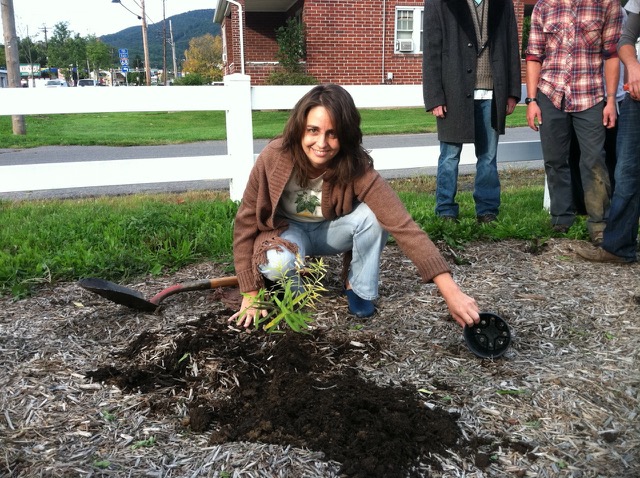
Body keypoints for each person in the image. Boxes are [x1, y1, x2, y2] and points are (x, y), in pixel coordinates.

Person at [228, 84, 480, 327]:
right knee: (277, 264)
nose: (322, 143)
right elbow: (246, 222)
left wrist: (451, 292)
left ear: (345, 134)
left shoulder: (355, 165)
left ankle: (357, 286)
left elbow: (402, 223)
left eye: (332, 133)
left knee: (375, 217)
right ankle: (293, 289)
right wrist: (249, 291)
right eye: (313, 130)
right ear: (299, 128)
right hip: (286, 232)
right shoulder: (274, 156)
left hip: (331, 231)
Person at [525, 0, 624, 244]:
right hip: (550, 93)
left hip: (590, 94)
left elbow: (612, 54)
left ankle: (599, 223)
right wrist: (531, 100)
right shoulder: (544, 6)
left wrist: (611, 101)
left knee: (594, 160)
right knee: (555, 159)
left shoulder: (606, 5)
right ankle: (561, 219)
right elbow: (534, 55)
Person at [423, 0, 522, 223]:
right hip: (453, 92)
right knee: (449, 156)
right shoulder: (438, 3)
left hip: (493, 91)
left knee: (488, 157)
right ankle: (446, 210)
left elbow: (511, 45)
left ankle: (487, 210)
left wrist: (512, 92)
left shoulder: (503, 3)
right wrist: (434, 97)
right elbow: (431, 50)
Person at [575, 0, 640, 264]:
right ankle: (618, 247)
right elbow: (625, 39)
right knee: (626, 172)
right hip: (637, 97)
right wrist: (633, 68)